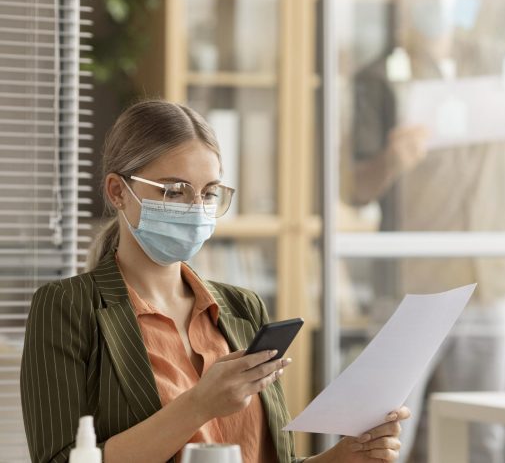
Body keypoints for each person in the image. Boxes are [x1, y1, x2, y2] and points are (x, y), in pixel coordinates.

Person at [20, 100, 410, 463]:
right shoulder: (67, 307)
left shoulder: (243, 308)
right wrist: (199, 405)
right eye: (174, 191)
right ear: (118, 191)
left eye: (208, 193)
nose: (195, 208)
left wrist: (342, 457)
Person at [347, 0, 505, 462]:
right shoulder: (378, 78)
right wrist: (392, 160)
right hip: (414, 285)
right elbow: (354, 189)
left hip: (490, 277)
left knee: (485, 437)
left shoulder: (496, 65)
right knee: (384, 432)